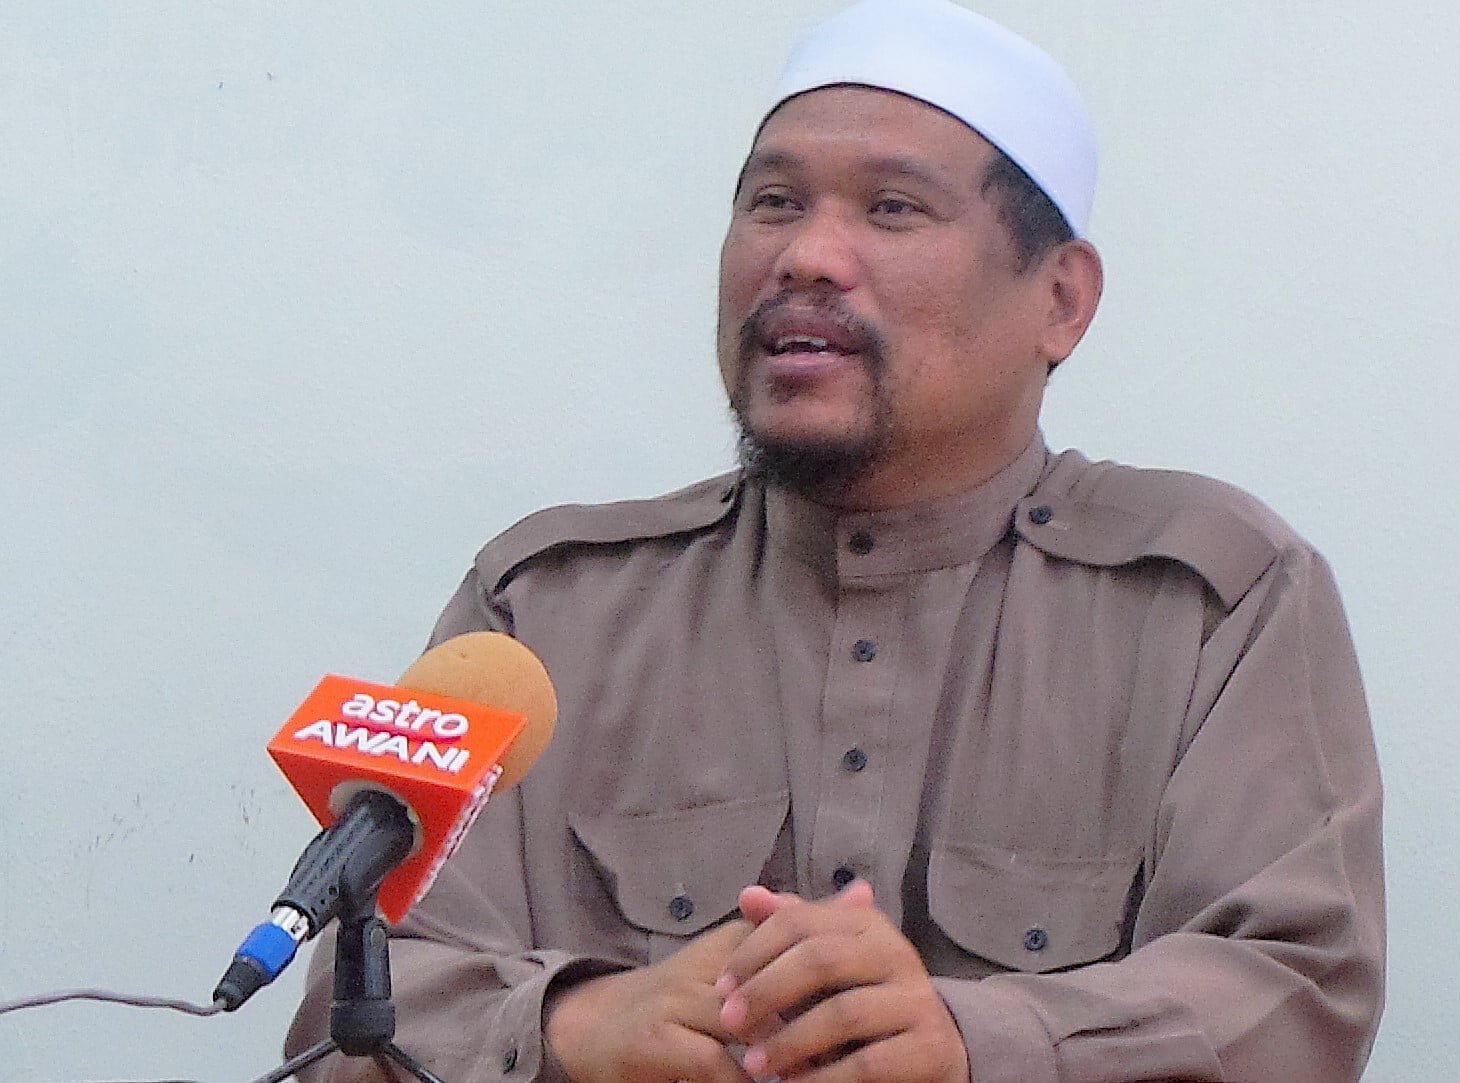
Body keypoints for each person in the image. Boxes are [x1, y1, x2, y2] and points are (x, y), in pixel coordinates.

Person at [286, 1, 1386, 1080]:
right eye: (772, 203)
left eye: (892, 209)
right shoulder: (544, 611)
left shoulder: (1210, 602)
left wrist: (976, 1044)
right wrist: (578, 1025)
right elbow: (359, 999)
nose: (806, 255)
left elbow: (1294, 992)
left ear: (1059, 300)